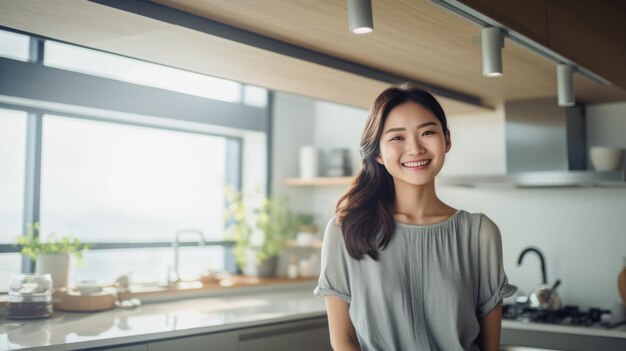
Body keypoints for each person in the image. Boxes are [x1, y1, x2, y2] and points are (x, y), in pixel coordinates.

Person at [314, 83, 517, 351]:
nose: (415, 148)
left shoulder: (480, 233)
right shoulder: (346, 231)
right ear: (377, 152)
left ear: (447, 140)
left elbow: (489, 346)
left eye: (427, 132)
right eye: (397, 138)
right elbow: (344, 341)